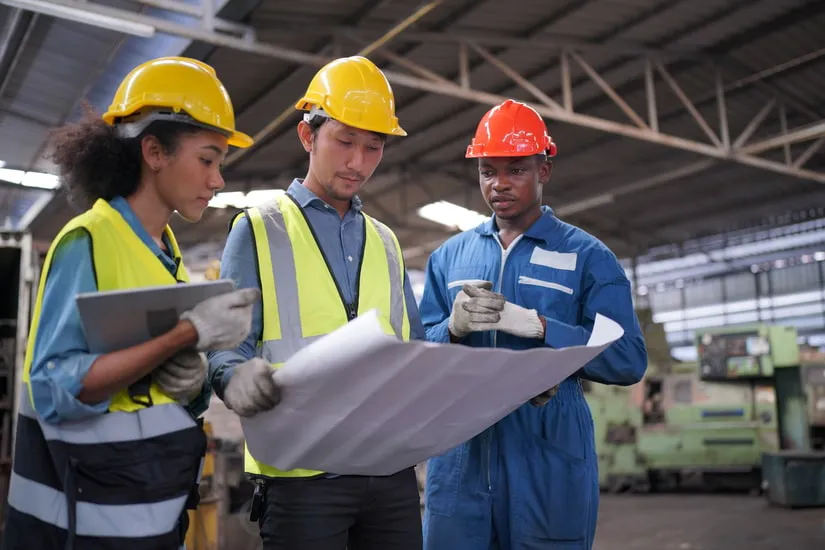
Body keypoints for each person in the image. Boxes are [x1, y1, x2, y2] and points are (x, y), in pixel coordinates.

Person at [2, 56, 259, 550]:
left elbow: (146, 389)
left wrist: (194, 383)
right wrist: (183, 337)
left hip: (149, 511)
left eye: (219, 164)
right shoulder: (90, 240)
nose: (217, 180)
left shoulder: (167, 253)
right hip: (83, 525)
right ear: (154, 152)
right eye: (207, 159)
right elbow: (53, 387)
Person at [207, 55, 426, 550]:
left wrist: (452, 336)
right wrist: (231, 376)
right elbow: (224, 347)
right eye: (344, 141)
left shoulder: (387, 243)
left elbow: (413, 348)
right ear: (308, 136)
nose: (357, 162)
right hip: (302, 473)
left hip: (388, 471)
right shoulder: (258, 229)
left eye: (373, 147)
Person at [418, 99, 648, 550]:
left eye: (516, 169)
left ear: (544, 169)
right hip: (463, 449)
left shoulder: (588, 258)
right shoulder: (448, 257)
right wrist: (451, 329)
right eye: (488, 171)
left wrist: (545, 327)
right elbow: (417, 351)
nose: (499, 184)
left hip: (546, 446)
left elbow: (628, 359)